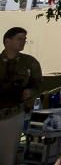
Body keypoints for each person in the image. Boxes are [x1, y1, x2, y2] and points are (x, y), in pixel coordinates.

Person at [0, 27, 41, 165]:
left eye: (24, 39)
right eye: (19, 39)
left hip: (14, 113)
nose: (23, 42)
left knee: (8, 155)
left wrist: (30, 92)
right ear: (7, 41)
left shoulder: (30, 62)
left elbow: (37, 84)